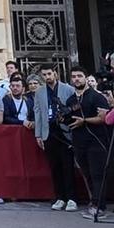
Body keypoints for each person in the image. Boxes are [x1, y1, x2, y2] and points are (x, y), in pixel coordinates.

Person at [65, 64, 110, 210]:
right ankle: (94, 201)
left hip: (96, 140)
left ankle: (99, 206)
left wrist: (84, 121)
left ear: (85, 78)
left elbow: (103, 118)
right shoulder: (70, 100)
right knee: (87, 174)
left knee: (97, 174)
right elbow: (70, 119)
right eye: (73, 77)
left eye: (79, 76)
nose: (76, 79)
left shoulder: (97, 97)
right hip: (78, 141)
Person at [34, 64, 77, 210]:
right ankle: (60, 197)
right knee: (54, 166)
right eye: (44, 75)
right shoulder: (39, 92)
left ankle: (72, 198)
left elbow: (74, 109)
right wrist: (38, 134)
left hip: (64, 131)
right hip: (48, 131)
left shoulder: (68, 89)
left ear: (55, 73)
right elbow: (38, 113)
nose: (47, 77)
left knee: (68, 166)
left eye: (49, 74)